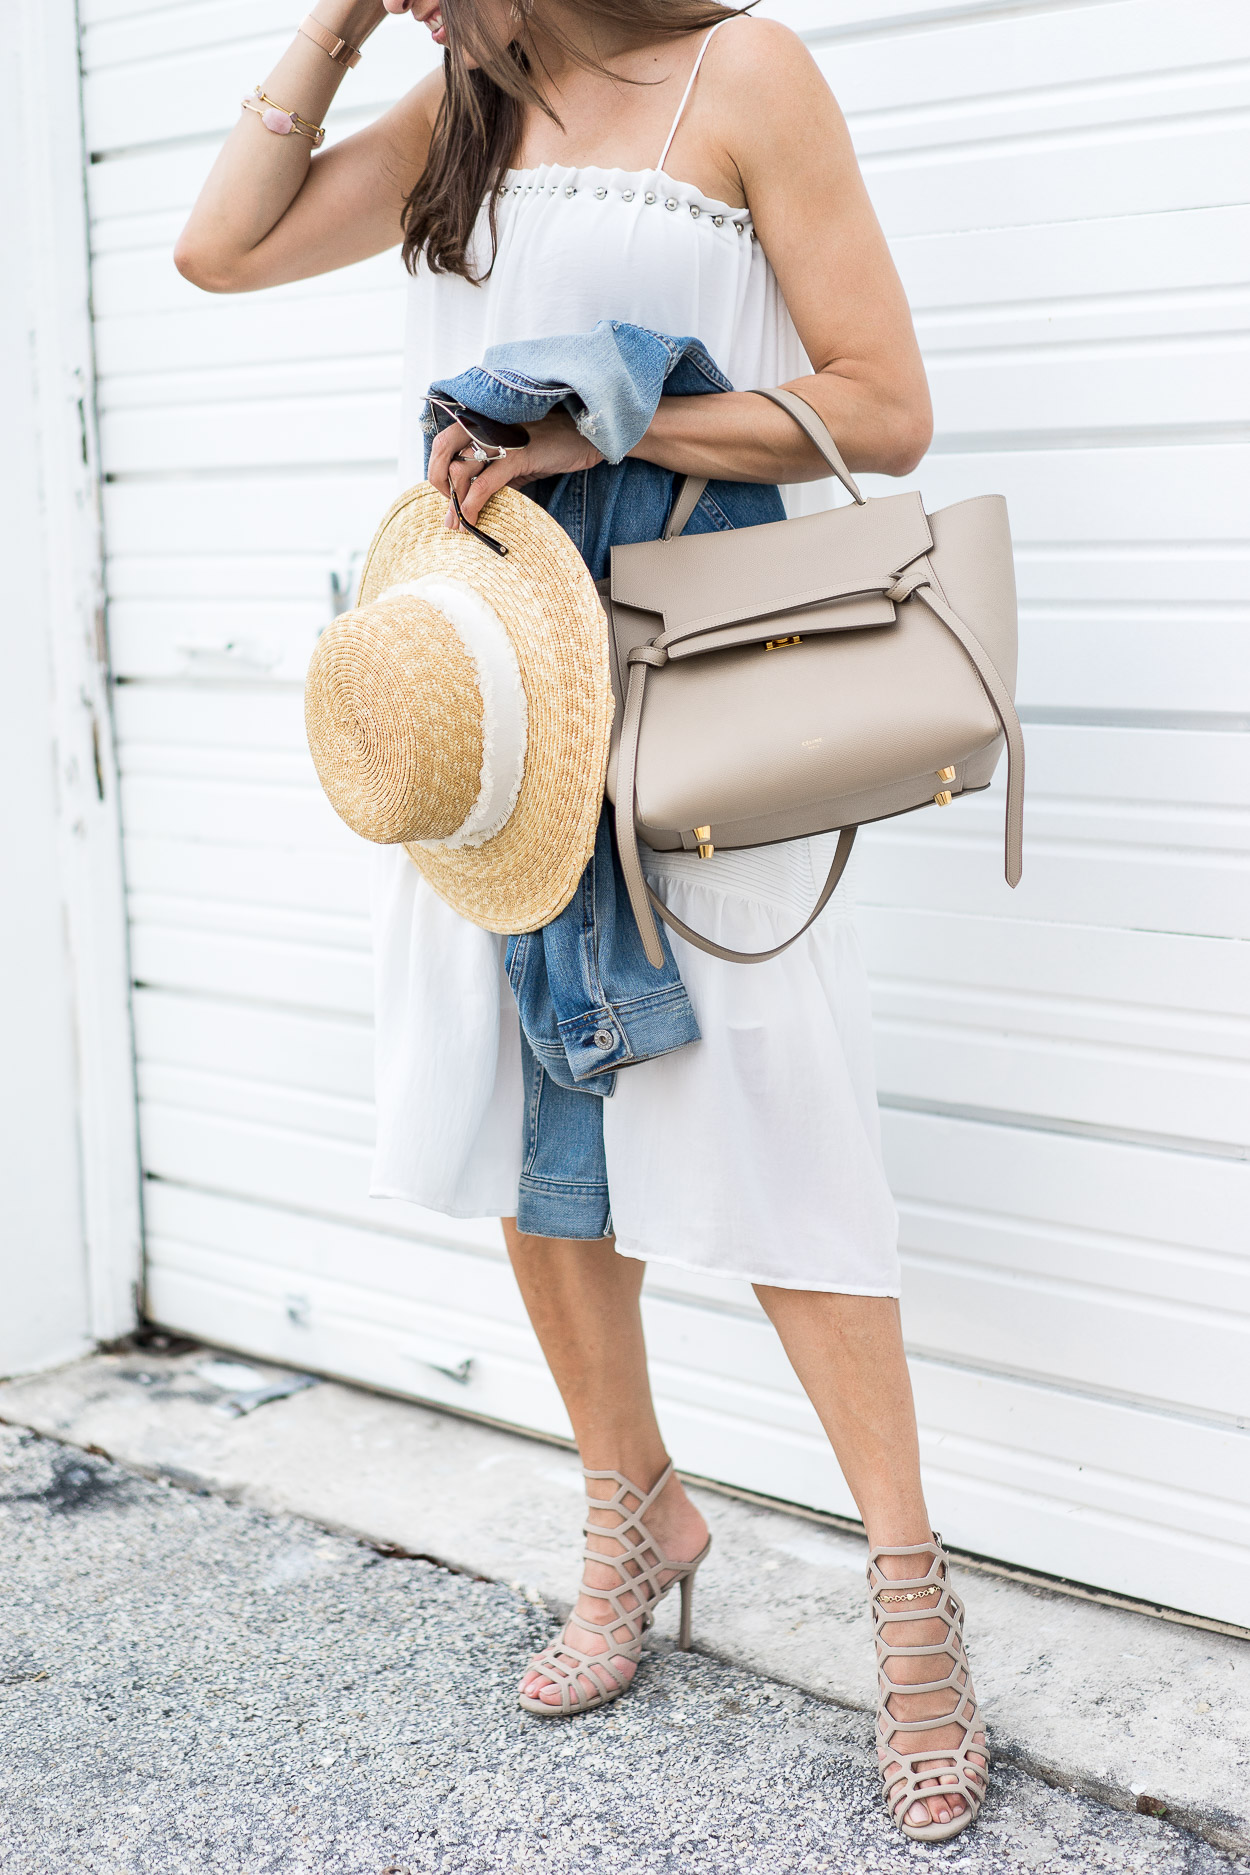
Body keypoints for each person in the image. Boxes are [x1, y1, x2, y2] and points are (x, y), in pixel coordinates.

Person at [175, 0, 987, 1840]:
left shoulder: (743, 74)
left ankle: (910, 1601)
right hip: (492, 681)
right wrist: (333, 29)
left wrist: (594, 416)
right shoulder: (451, 104)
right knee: (537, 1134)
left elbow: (880, 405)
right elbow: (217, 249)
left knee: (784, 1140)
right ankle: (635, 1514)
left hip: (686, 668)